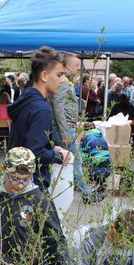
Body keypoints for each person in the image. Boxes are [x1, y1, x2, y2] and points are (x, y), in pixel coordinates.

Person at [8, 46, 70, 189]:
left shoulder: (26, 99)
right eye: (59, 74)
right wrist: (59, 156)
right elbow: (33, 152)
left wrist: (53, 147)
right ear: (44, 76)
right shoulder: (41, 109)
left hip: (16, 179)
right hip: (32, 183)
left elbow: (28, 139)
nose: (61, 80)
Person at [49, 52, 98, 203]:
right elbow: (58, 107)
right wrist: (65, 132)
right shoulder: (63, 83)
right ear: (68, 66)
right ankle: (87, 194)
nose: (78, 68)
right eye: (76, 65)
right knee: (75, 161)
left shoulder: (62, 81)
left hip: (66, 127)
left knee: (66, 160)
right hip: (64, 129)